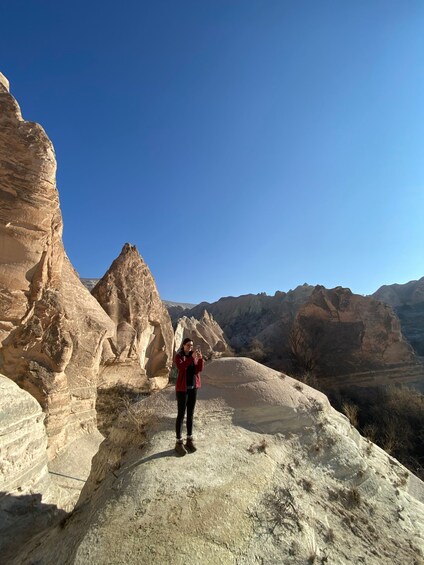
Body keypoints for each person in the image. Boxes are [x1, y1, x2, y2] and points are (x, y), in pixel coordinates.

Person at [173, 338, 204, 456]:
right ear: (183, 345)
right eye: (188, 345)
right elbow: (181, 367)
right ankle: (178, 442)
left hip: (193, 388)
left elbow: (198, 370)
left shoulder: (193, 356)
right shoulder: (179, 356)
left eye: (191, 345)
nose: (190, 347)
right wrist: (192, 358)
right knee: (181, 414)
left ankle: (189, 440)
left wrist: (200, 359)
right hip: (182, 389)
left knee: (190, 414)